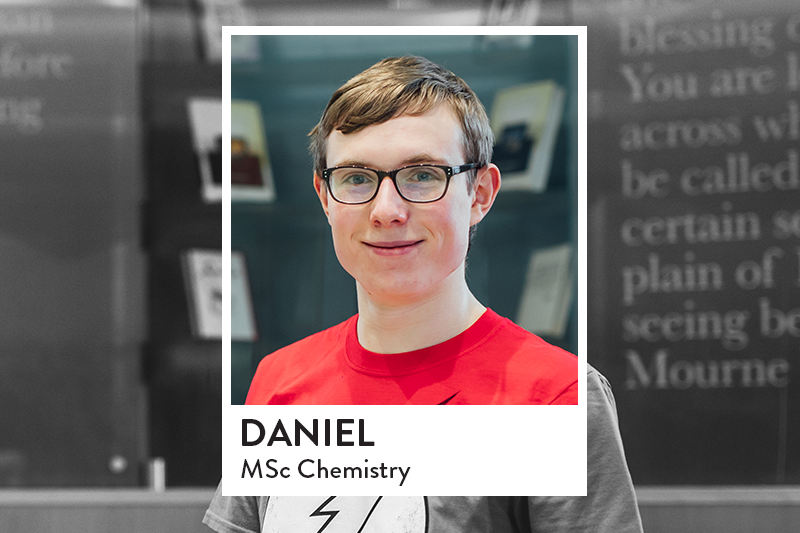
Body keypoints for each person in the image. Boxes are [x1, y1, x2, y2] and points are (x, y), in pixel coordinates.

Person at [205, 56, 643, 532]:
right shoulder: (280, 381)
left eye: (422, 175)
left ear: (480, 194)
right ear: (324, 197)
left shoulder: (555, 397)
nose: (387, 210)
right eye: (356, 178)